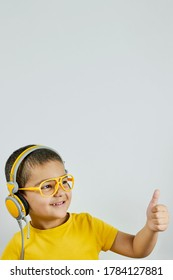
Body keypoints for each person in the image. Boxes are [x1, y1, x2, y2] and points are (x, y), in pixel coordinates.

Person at [1, 144, 169, 260]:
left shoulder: (88, 225)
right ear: (19, 199)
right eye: (47, 186)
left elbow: (135, 248)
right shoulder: (19, 245)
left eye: (64, 181)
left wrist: (150, 228)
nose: (60, 192)